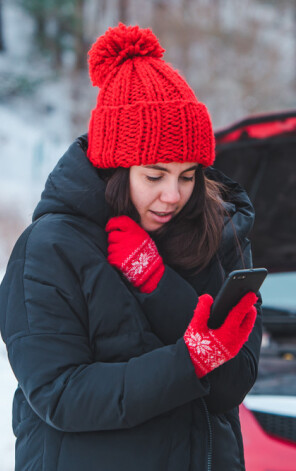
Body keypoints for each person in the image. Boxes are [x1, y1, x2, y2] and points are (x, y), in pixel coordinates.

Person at [0, 23, 262, 470]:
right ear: (115, 170)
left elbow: (230, 386)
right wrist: (189, 361)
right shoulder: (50, 248)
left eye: (188, 175)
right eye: (154, 176)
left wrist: (159, 284)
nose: (173, 196)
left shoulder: (216, 235)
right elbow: (60, 396)